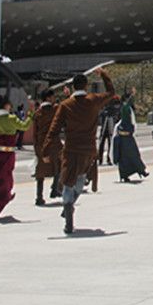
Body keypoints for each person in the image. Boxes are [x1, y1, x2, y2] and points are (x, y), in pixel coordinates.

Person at [41, 68, 118, 234]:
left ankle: (68, 211)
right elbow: (111, 92)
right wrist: (104, 75)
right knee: (81, 181)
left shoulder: (65, 105)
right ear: (86, 85)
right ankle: (69, 206)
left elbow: (53, 130)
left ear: (73, 87)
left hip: (70, 150)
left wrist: (45, 151)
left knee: (68, 182)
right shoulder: (93, 100)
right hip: (88, 150)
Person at [113, 87, 149, 183]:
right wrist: (132, 95)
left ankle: (141, 171)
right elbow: (128, 103)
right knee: (128, 156)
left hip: (127, 136)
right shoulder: (125, 108)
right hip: (125, 137)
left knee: (132, 155)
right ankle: (127, 175)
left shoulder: (126, 109)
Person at [33, 89, 62, 205]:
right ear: (49, 98)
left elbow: (35, 132)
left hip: (41, 144)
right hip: (53, 143)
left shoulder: (37, 113)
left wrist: (36, 147)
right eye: (53, 97)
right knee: (59, 165)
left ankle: (39, 197)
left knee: (40, 171)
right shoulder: (55, 110)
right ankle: (55, 188)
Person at [97, 98, 120, 165]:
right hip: (104, 130)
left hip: (110, 129)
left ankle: (109, 159)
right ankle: (100, 159)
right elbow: (100, 117)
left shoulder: (113, 111)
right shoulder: (105, 111)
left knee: (110, 145)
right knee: (101, 144)